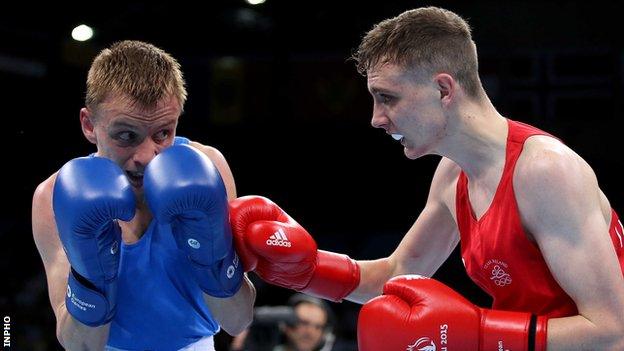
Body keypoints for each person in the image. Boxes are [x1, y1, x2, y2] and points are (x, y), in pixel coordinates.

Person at [227, 6, 624, 351]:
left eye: (388, 97)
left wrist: (481, 335)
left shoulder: (545, 171)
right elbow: (397, 274)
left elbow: (613, 333)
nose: (376, 118)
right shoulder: (454, 174)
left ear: (443, 89)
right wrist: (308, 270)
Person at [31, 40, 256, 351]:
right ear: (89, 125)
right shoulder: (53, 197)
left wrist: (212, 258)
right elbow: (79, 345)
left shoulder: (208, 168)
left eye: (163, 133)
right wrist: (93, 278)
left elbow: (237, 320)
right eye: (127, 135)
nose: (148, 156)